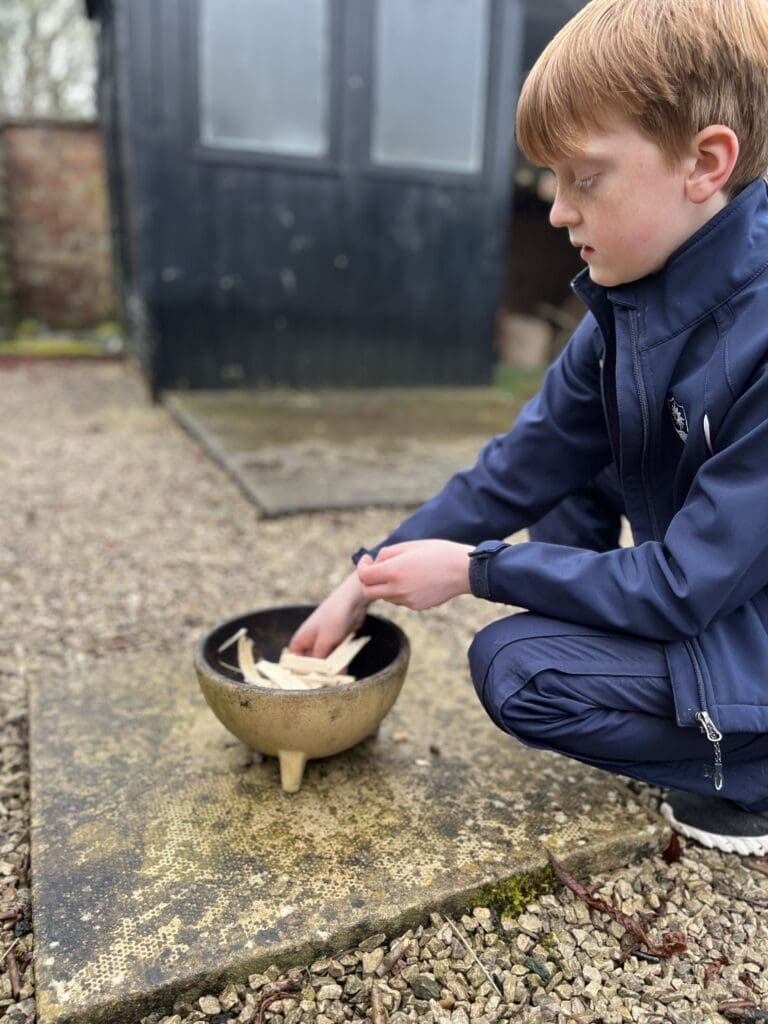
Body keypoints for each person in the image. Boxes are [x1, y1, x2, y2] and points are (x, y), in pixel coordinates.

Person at [291, 0, 768, 856]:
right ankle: (700, 716)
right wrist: (364, 580)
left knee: (522, 672)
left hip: (737, 610)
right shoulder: (628, 308)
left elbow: (687, 584)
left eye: (583, 177)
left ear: (705, 162)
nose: (556, 211)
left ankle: (754, 767)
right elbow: (518, 468)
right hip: (717, 602)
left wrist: (477, 570)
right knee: (584, 460)